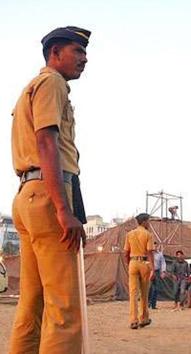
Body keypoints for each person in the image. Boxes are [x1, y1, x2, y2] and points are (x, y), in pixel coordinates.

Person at [8, 26, 91, 354]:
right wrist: (62, 208)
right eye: (77, 51)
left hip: (27, 195)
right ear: (55, 53)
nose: (84, 59)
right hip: (48, 195)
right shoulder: (52, 83)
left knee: (33, 303)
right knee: (64, 307)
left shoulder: (31, 88)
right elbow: (46, 140)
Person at [124, 213, 155, 329]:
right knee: (144, 293)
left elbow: (126, 252)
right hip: (144, 263)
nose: (149, 223)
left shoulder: (129, 234)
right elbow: (150, 252)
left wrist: (129, 263)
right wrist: (152, 268)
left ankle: (133, 320)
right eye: (148, 221)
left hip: (132, 262)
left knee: (133, 293)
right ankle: (144, 318)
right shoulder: (148, 234)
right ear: (144, 222)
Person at [148, 241, 166, 309]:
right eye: (153, 246)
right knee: (148, 288)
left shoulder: (160, 254)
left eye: (156, 246)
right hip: (149, 272)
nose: (154, 247)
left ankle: (153, 305)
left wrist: (163, 271)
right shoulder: (148, 253)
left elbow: (163, 263)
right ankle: (147, 303)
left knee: (155, 289)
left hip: (157, 272)